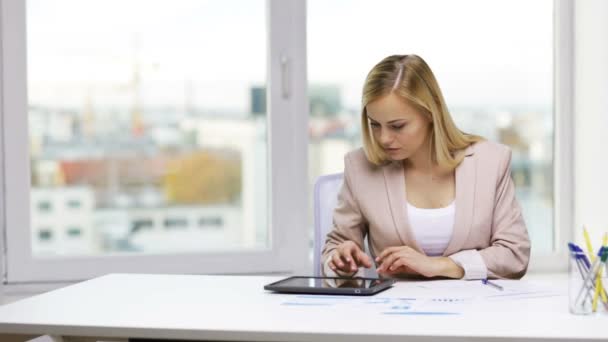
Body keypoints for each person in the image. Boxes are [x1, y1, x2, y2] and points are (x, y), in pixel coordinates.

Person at [321, 54, 530, 280]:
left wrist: (439, 266)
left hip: (476, 309)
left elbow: (514, 254)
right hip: (392, 310)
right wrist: (340, 259)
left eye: (397, 126)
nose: (384, 138)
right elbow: (336, 245)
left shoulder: (490, 161)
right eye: (375, 125)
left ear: (430, 113)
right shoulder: (360, 167)